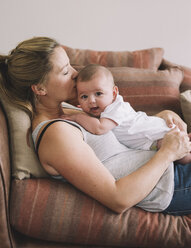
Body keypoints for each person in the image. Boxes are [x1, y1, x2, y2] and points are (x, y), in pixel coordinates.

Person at [0, 37, 191, 215]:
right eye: (65, 71)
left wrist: (164, 116)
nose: (76, 74)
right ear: (40, 89)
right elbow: (118, 199)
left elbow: (124, 127)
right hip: (171, 182)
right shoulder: (55, 134)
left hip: (170, 163)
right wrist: (168, 153)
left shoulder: (67, 109)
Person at [64, 64, 191, 164]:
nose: (91, 101)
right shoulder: (102, 109)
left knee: (184, 158)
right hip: (150, 140)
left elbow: (99, 128)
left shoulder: (116, 108)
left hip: (158, 134)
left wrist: (77, 116)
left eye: (98, 94)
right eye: (84, 96)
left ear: (114, 93)